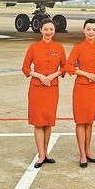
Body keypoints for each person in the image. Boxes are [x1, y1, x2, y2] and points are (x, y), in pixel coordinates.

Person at [21, 18, 66, 168]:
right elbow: (25, 68)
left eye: (51, 29)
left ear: (54, 30)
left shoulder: (59, 48)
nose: (49, 32)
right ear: (40, 30)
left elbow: (65, 67)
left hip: (52, 88)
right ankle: (41, 154)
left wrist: (53, 75)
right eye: (46, 29)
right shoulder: (33, 47)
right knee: (39, 122)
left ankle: (46, 152)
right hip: (37, 88)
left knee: (48, 121)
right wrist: (39, 75)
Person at [63, 18, 95, 168]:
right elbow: (68, 66)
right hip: (82, 87)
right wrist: (87, 74)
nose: (91, 32)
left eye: (93, 29)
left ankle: (88, 151)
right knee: (81, 120)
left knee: (90, 120)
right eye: (88, 29)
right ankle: (82, 153)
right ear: (84, 30)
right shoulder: (78, 47)